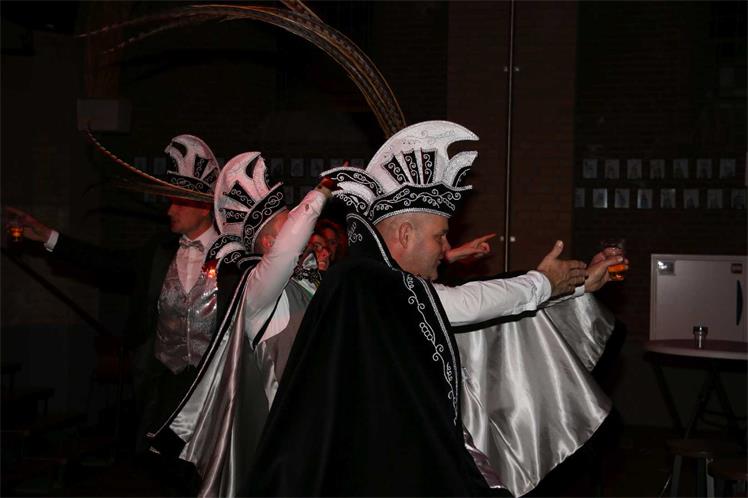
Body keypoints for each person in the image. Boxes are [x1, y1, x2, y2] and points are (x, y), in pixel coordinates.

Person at [245, 121, 626, 496]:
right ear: (405, 234)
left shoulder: (377, 283)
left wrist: (573, 284)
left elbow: (478, 307)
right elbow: (464, 304)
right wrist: (542, 283)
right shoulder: (364, 281)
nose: (445, 248)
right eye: (440, 236)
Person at [146, 151, 333, 497]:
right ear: (269, 243)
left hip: (319, 421)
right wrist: (320, 193)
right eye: (287, 221)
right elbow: (289, 248)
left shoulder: (307, 280)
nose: (297, 225)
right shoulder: (256, 289)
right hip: (286, 431)